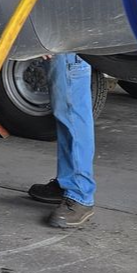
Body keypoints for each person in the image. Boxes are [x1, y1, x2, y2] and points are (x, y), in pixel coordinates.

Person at [27, 53, 96, 228]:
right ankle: (68, 182)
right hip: (63, 48)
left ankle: (80, 194)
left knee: (73, 116)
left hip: (67, 49)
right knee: (66, 118)